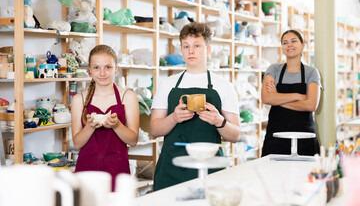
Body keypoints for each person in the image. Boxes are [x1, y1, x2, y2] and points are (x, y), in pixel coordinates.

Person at [150, 22, 241, 190]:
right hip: (172, 167)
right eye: (186, 46)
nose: (191, 51)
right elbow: (154, 130)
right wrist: (174, 118)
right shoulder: (167, 84)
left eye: (197, 45)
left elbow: (235, 135)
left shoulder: (223, 86)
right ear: (182, 50)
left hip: (210, 167)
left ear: (207, 49)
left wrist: (219, 121)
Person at [71, 44, 139, 191]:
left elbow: (133, 140)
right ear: (89, 71)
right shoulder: (79, 99)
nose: (102, 73)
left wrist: (116, 125)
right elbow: (77, 143)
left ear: (116, 68)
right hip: (86, 170)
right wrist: (89, 127)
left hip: (117, 170)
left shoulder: (127, 97)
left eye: (108, 67)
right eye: (96, 68)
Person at [261, 30, 321, 157]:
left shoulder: (311, 73)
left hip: (305, 137)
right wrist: (298, 96)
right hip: (276, 138)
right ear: (282, 47)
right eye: (285, 42)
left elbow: (311, 105)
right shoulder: (274, 70)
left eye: (294, 41)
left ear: (302, 45)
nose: (289, 45)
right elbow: (266, 98)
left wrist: (277, 98)